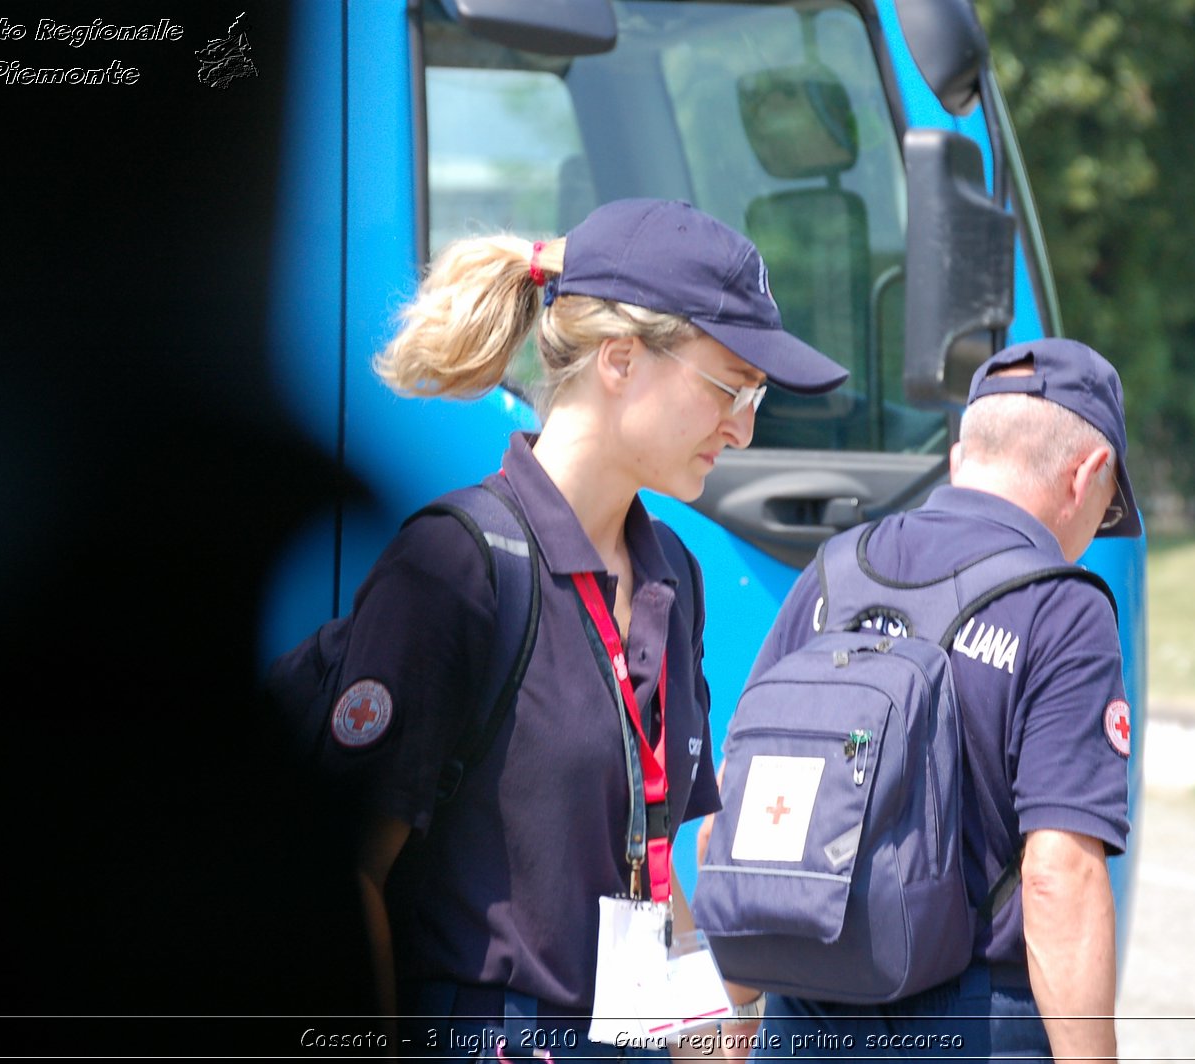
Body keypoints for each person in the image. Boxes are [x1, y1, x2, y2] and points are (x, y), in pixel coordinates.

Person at [334, 199, 848, 1060]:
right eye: (730, 387)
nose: (744, 427)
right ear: (619, 360)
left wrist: (710, 1048)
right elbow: (347, 869)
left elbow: (644, 873)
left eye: (756, 396)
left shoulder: (674, 576)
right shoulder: (458, 565)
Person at [730, 338, 1140, 1062]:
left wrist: (733, 1016)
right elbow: (1058, 876)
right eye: (1106, 512)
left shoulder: (832, 571)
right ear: (1090, 473)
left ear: (960, 457)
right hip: (976, 1024)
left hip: (804, 1016)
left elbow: (737, 813)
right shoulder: (1061, 608)